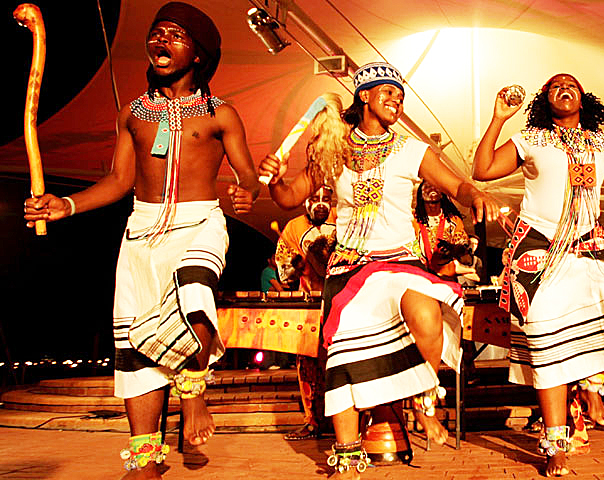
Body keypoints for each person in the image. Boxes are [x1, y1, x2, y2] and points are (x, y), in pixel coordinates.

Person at [23, 3, 260, 478]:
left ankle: (192, 392)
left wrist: (247, 192)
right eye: (156, 33)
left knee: (195, 291)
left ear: (198, 54)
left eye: (175, 34)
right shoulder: (132, 113)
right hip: (142, 230)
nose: (161, 40)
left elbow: (249, 176)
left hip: (199, 222)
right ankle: (145, 459)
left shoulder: (221, 113)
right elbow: (118, 180)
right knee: (135, 343)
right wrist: (65, 205)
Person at [259, 63, 497, 478]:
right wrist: (275, 180)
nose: (396, 101)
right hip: (350, 267)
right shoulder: (333, 149)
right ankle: (347, 454)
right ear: (364, 95)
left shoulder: (411, 149)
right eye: (388, 92)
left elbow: (456, 184)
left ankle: (424, 403)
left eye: (400, 96)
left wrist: (475, 193)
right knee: (344, 354)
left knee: (427, 313)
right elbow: (289, 196)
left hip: (400, 261)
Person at [473, 73, 604, 477]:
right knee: (547, 340)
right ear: (545, 100)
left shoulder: (602, 143)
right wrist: (499, 118)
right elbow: (482, 170)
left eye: (571, 85)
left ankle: (593, 386)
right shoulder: (531, 138)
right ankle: (555, 443)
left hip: (589, 243)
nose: (564, 88)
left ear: (583, 97)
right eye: (554, 86)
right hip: (539, 249)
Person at [275, 185, 337, 440]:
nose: (321, 203)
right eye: (315, 199)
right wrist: (295, 267)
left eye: (326, 199)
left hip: (342, 300)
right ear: (305, 202)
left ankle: (348, 422)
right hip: (310, 304)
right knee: (308, 365)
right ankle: (312, 421)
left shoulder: (343, 218)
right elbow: (284, 270)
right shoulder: (293, 228)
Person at [413, 180, 475, 279]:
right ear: (420, 194)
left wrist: (455, 249)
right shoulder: (412, 220)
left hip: (447, 276)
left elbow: (465, 257)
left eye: (436, 186)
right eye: (427, 187)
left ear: (442, 194)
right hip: (419, 276)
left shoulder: (453, 221)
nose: (432, 189)